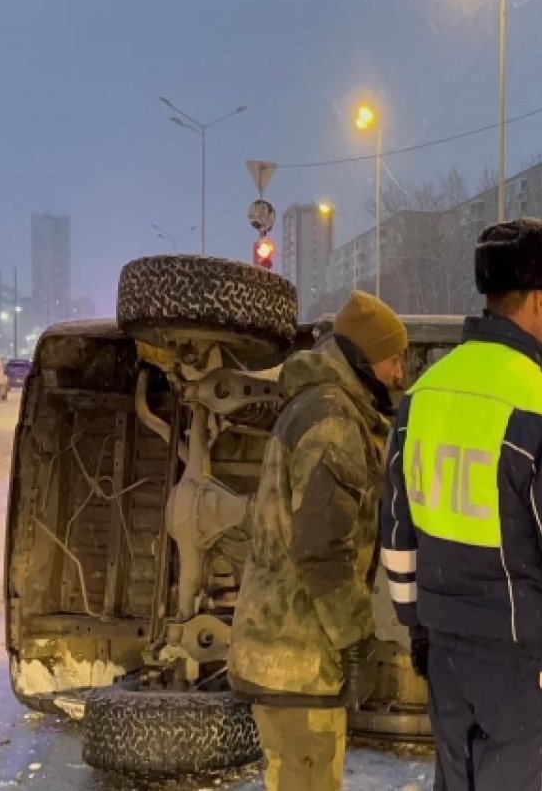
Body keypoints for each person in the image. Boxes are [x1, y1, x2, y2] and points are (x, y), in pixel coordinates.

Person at [381, 217, 542, 791]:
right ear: (541, 299)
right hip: (518, 667)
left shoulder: (424, 394)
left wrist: (417, 624)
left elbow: (397, 536)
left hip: (444, 651)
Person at [229, 290, 407, 791]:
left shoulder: (319, 407)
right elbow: (323, 549)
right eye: (394, 358)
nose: (399, 373)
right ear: (365, 357)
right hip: (301, 660)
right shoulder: (332, 422)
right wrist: (356, 643)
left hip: (293, 655)